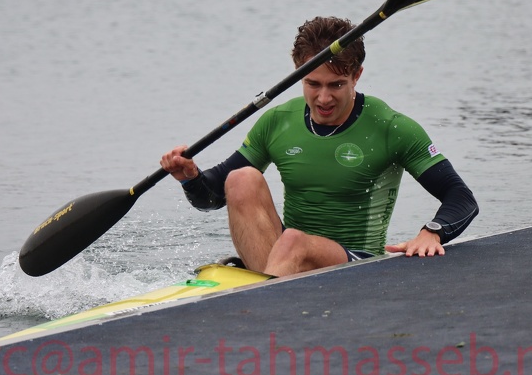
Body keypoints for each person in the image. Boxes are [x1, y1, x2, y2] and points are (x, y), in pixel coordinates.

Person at [160, 16, 478, 277]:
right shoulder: (277, 121)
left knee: (294, 242)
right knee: (241, 179)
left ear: (357, 75)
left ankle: (262, 295)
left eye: (336, 85)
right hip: (284, 257)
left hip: (358, 263)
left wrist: (432, 232)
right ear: (298, 74)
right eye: (313, 84)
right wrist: (190, 177)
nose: (323, 98)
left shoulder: (391, 127)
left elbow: (461, 197)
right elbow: (212, 198)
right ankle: (268, 285)